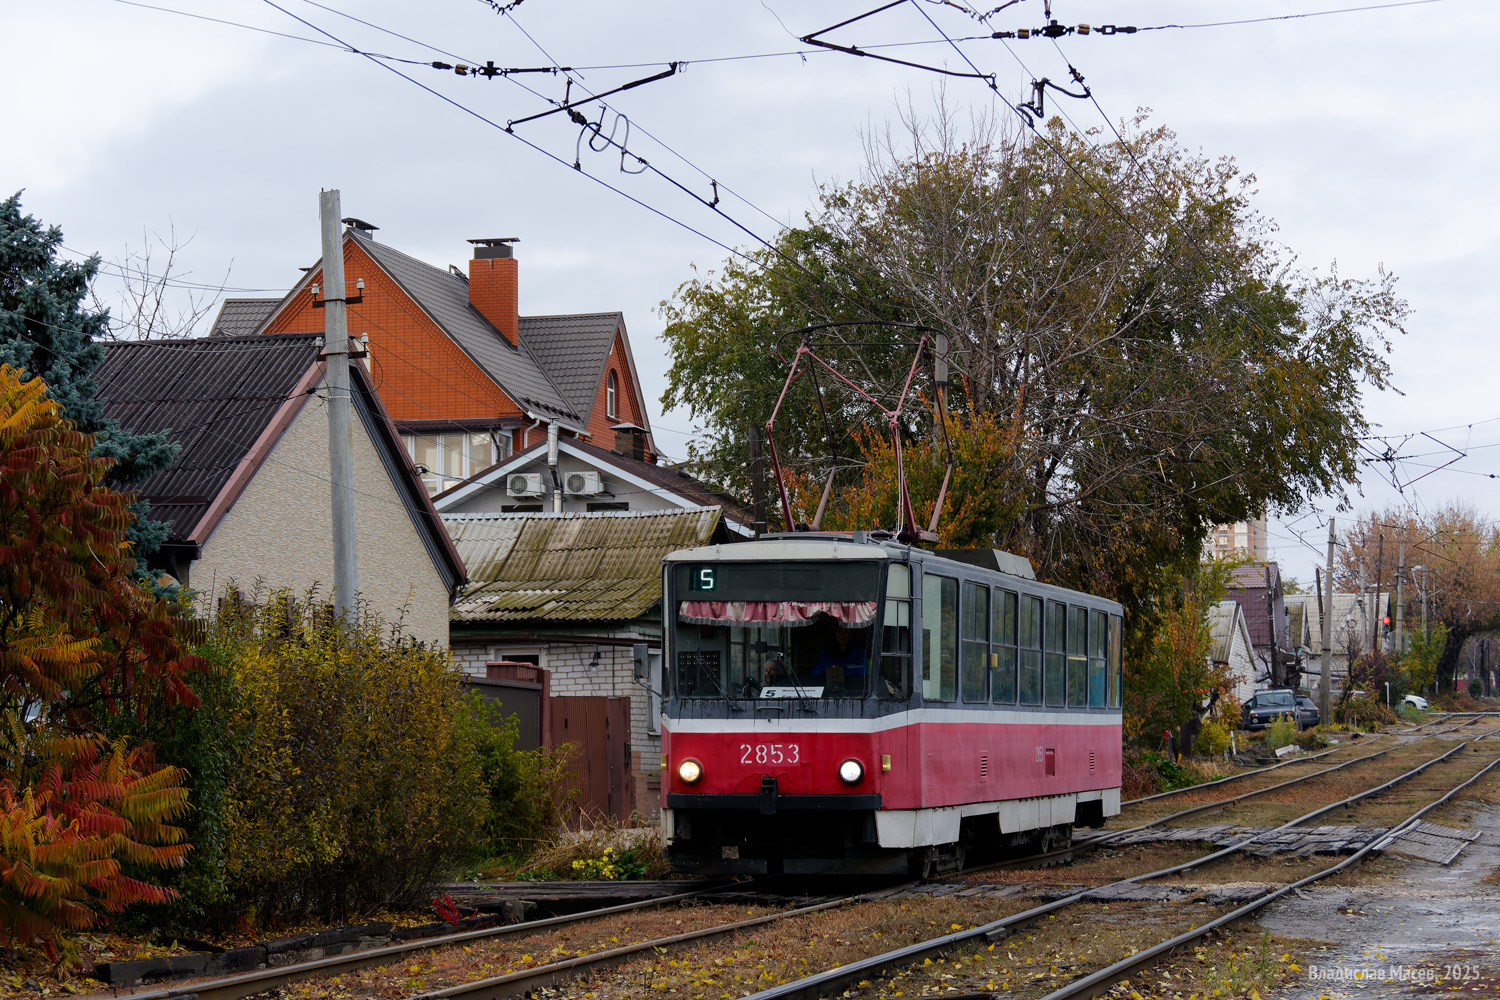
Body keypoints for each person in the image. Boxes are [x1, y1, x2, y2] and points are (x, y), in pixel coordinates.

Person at [813, 622, 869, 687]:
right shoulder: (826, 654)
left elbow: (862, 677)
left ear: (850, 634)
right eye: (839, 632)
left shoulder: (860, 653)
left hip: (853, 692)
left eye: (846, 631)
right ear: (835, 634)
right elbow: (817, 675)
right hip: (831, 692)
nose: (842, 635)